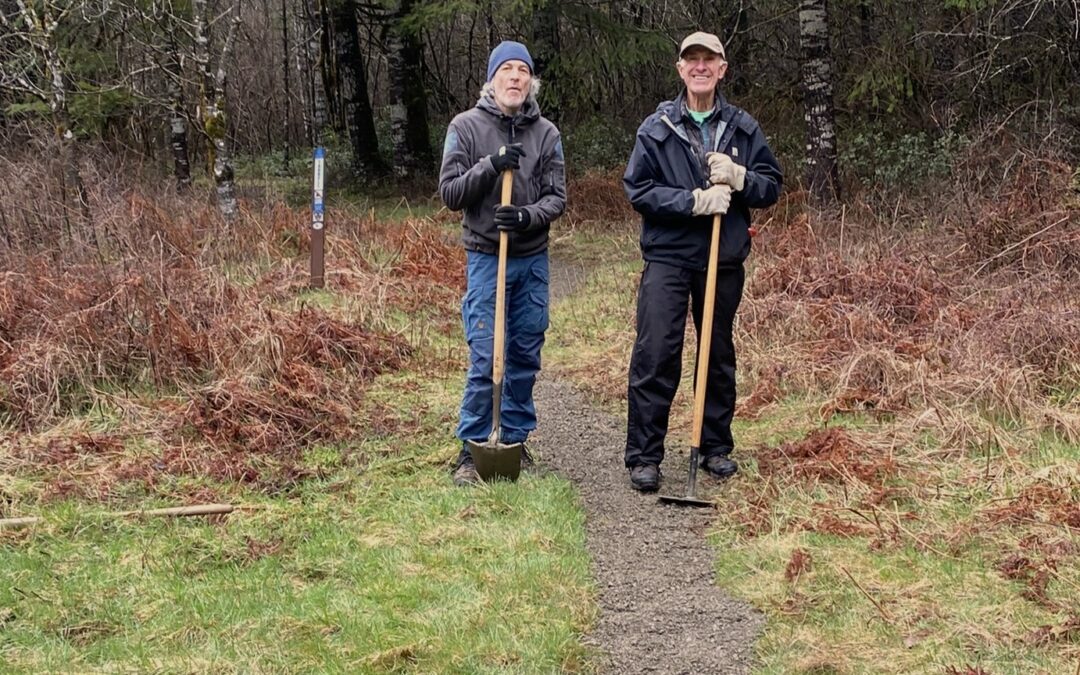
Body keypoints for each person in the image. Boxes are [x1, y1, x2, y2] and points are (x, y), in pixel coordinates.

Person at [622, 31, 783, 492]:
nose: (700, 67)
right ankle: (644, 456)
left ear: (722, 68)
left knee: (716, 355)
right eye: (691, 60)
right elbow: (639, 190)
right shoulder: (656, 128)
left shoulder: (743, 128)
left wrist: (741, 177)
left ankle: (714, 447)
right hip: (669, 257)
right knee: (656, 353)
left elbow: (771, 185)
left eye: (709, 60)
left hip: (723, 258)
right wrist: (693, 201)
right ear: (680, 69)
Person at [438, 41, 567, 486]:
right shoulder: (465, 127)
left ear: (532, 81)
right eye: (507, 70)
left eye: (523, 70)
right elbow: (451, 194)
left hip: (530, 259)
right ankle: (472, 449)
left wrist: (527, 216)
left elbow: (557, 197)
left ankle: (513, 440)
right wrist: (491, 165)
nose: (515, 77)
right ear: (492, 79)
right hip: (486, 257)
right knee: (485, 353)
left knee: (524, 351)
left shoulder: (546, 134)